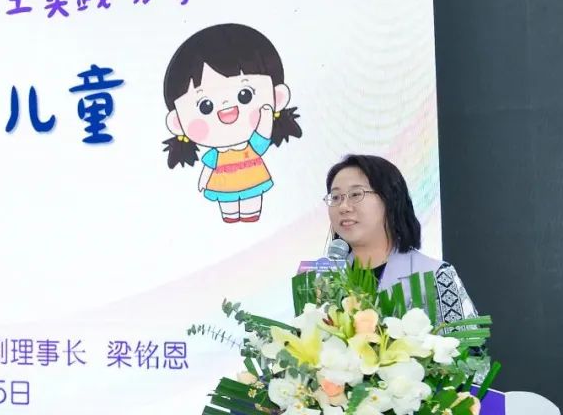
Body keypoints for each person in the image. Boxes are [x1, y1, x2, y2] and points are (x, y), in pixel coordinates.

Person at [161, 22, 302, 223]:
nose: (226, 107)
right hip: (223, 185)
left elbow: (261, 139)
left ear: (277, 97)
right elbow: (208, 168)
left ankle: (250, 214)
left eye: (245, 95)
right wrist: (203, 181)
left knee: (251, 203)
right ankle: (230, 215)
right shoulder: (215, 155)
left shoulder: (252, 146)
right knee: (228, 206)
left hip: (253, 180)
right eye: (205, 106)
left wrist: (265, 117)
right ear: (177, 122)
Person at [323, 154, 478, 324]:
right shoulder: (322, 282)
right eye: (335, 197)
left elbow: (469, 341)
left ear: (389, 199)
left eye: (355, 194)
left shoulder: (436, 277)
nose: (343, 207)